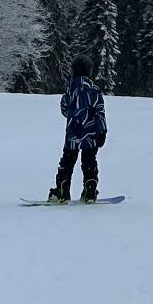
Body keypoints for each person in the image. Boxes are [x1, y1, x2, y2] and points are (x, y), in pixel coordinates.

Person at [49, 56, 107, 203]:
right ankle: (90, 191)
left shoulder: (70, 90)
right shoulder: (94, 90)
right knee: (89, 162)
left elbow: (64, 109)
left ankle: (62, 192)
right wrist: (102, 131)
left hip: (73, 134)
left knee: (67, 162)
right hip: (91, 134)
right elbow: (100, 112)